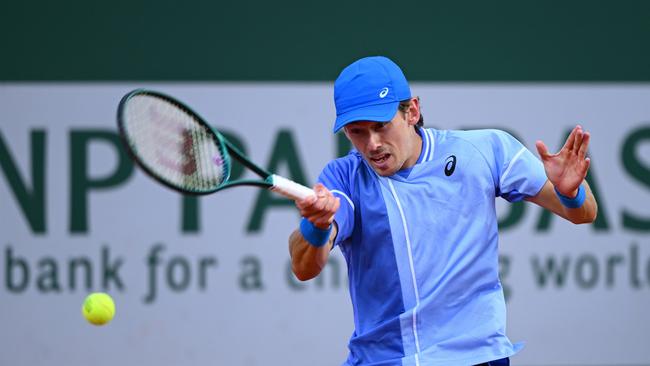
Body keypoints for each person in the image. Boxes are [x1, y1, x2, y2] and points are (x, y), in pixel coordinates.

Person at [288, 56, 598, 366]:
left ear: (412, 110)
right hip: (383, 360)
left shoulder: (484, 150)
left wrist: (569, 193)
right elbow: (305, 268)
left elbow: (584, 213)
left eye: (381, 126)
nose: (372, 144)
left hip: (476, 358)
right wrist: (316, 226)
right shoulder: (343, 178)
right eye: (357, 132)